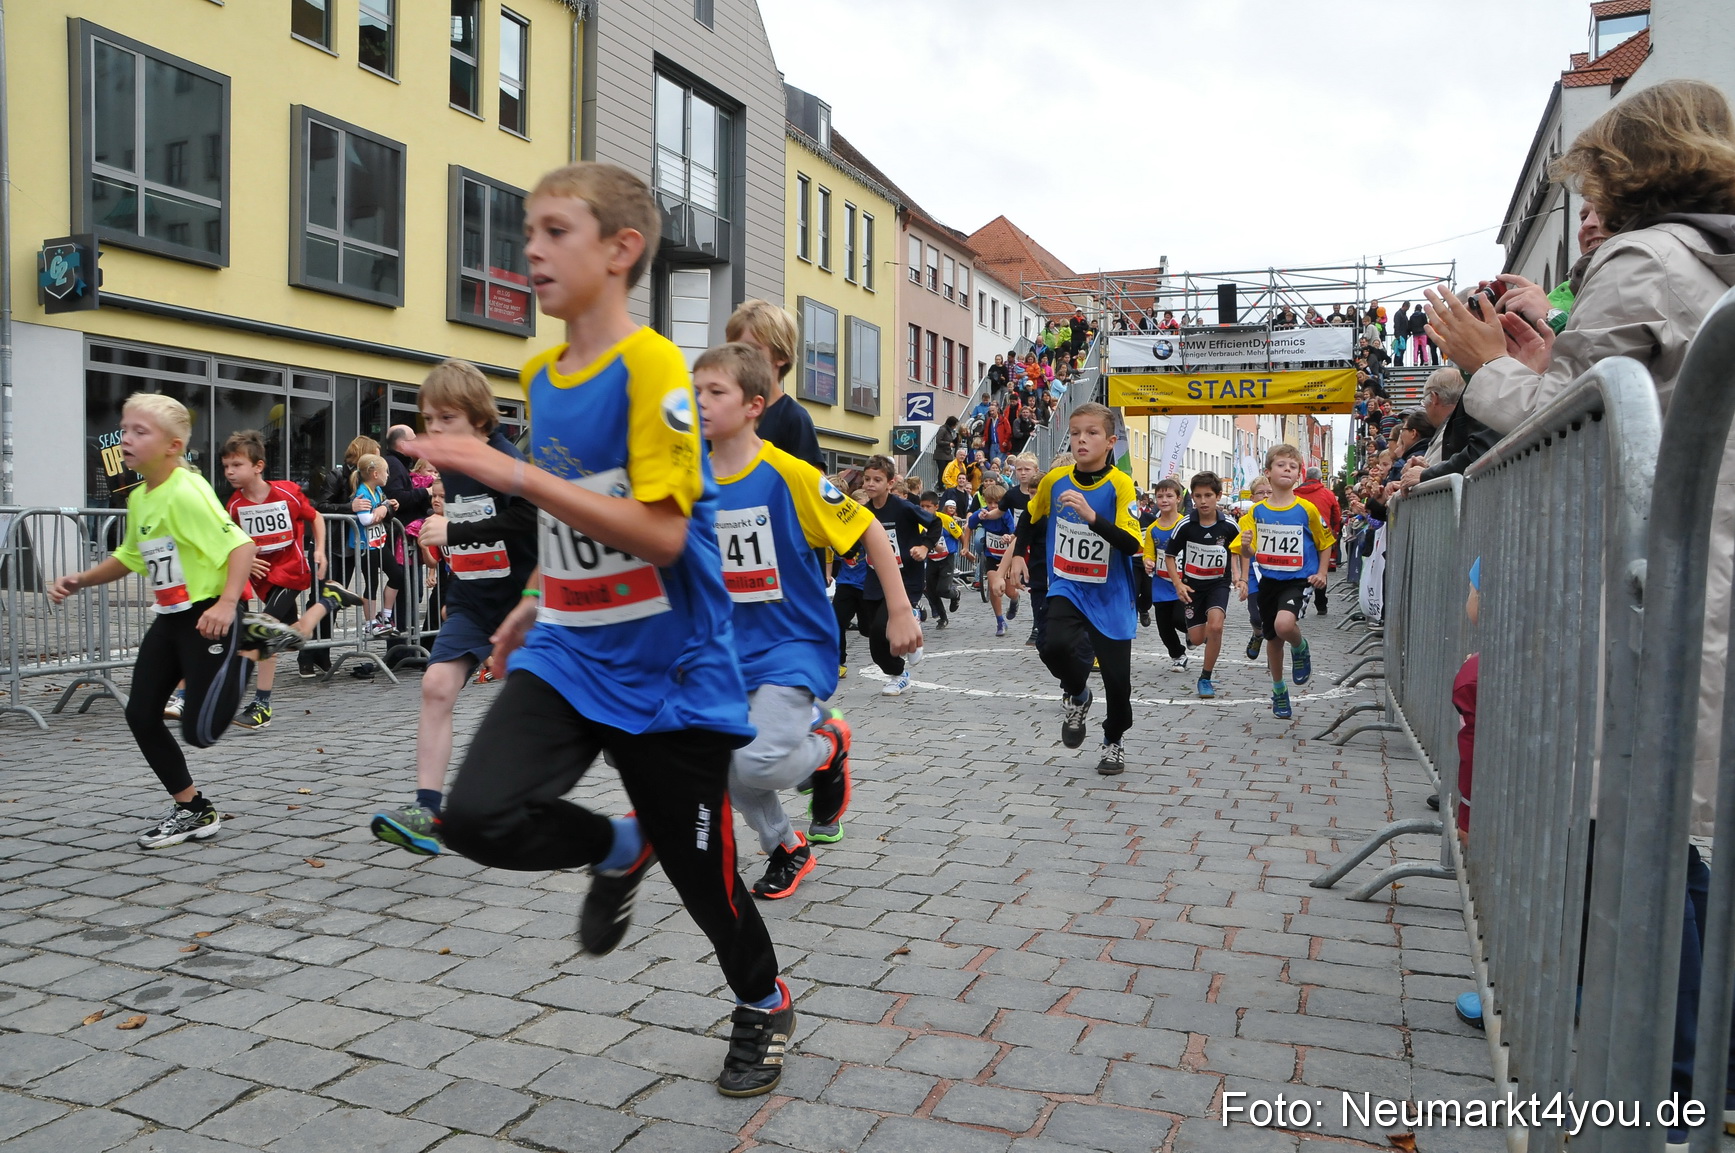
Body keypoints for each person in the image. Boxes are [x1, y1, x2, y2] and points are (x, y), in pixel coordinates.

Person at [402, 162, 790, 1098]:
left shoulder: (652, 365)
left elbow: (658, 530)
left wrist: (511, 476)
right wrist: (536, 598)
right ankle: (615, 848)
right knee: (476, 816)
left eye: (555, 231)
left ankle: (762, 1001)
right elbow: (581, 511)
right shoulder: (539, 370)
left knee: (709, 887)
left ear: (619, 251)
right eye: (526, 229)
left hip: (669, 676)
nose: (530, 248)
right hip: (570, 652)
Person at [695, 342, 918, 895]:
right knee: (719, 765)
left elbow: (866, 527)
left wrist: (898, 607)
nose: (700, 402)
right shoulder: (686, 478)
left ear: (753, 405)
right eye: (694, 391)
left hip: (791, 641)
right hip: (725, 649)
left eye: (714, 392)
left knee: (759, 765)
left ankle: (827, 745)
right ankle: (785, 848)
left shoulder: (788, 474)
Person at [49, 394, 302, 849]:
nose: (126, 438)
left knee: (199, 733)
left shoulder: (186, 492)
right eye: (125, 429)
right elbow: (130, 556)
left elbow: (241, 547)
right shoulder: (142, 496)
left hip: (209, 618)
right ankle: (193, 809)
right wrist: (81, 580)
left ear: (172, 445)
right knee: (141, 714)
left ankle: (253, 642)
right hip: (169, 618)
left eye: (140, 431)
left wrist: (227, 606)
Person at [369, 361, 539, 856]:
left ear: (480, 419)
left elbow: (531, 515)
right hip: (472, 602)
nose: (435, 430)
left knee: (541, 711)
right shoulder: (449, 464)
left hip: (527, 605)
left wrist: (456, 534)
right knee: (436, 684)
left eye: (447, 419)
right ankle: (426, 808)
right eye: (429, 420)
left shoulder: (503, 457)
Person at [997, 403, 1142, 776]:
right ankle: (1078, 693)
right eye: (1076, 432)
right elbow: (1030, 516)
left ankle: (1113, 741)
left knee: (1118, 683)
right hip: (1068, 585)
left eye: (1091, 433)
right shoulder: (1054, 480)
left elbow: (1130, 543)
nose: (1081, 439)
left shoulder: (1120, 484)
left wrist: (1093, 518)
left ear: (1110, 442)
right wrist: (1018, 556)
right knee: (1053, 645)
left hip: (1110, 594)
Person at [218, 429, 358, 732]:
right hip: (264, 581)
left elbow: (316, 517)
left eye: (236, 465)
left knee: (262, 633)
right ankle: (329, 600)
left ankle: (261, 705)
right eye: (226, 465)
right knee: (292, 636)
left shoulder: (287, 491)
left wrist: (319, 550)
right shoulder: (233, 506)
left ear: (258, 466)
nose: (229, 471)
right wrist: (245, 557)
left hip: (293, 571)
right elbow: (230, 541)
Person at [1237, 445, 1335, 720]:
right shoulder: (1255, 512)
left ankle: (1301, 647)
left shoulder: (1307, 509)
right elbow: (1249, 552)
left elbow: (1325, 542)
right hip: (1268, 580)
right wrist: (1245, 547)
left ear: (1299, 475)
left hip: (1297, 580)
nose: (1287, 470)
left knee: (1284, 625)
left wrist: (1323, 573)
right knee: (1273, 638)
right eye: (1281, 465)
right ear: (1267, 473)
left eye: (1292, 466)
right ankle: (1279, 690)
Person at [858, 455, 938, 696]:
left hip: (905, 579)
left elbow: (935, 525)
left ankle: (898, 675)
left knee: (883, 628)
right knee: (870, 634)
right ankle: (898, 669)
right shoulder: (862, 512)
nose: (870, 484)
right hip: (875, 581)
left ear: (890, 483)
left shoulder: (903, 507)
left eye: (877, 480)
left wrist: (924, 547)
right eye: (867, 479)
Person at [1163, 471, 1242, 699]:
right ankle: (1195, 637)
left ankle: (1205, 677)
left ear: (1218, 496)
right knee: (1197, 638)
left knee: (1216, 627)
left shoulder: (1229, 526)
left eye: (1208, 495)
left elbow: (1238, 552)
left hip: (1218, 584)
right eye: (1198, 496)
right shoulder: (1186, 525)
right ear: (1193, 498)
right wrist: (1178, 584)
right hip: (1192, 586)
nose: (1203, 501)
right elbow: (1169, 555)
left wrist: (1238, 575)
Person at [725, 299, 822, 469]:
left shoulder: (794, 418)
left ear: (781, 356)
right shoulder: (721, 410)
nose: (740, 356)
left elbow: (813, 488)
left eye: (752, 349)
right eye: (734, 348)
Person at [348, 454, 403, 635]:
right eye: (386, 472)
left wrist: (387, 505)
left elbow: (382, 507)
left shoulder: (378, 491)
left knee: (397, 575)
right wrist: (381, 510)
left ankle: (385, 616)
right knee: (371, 582)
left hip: (379, 543)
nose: (388, 475)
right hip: (365, 546)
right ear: (375, 474)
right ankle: (370, 622)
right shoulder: (363, 492)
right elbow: (365, 520)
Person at [1140, 477, 1189, 670]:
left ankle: (1194, 632)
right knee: (1163, 627)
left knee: (1178, 618)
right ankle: (1178, 654)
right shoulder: (1153, 528)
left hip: (1182, 582)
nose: (1164, 500)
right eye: (1160, 496)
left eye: (1169, 495)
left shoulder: (1186, 524)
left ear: (1178, 499)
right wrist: (1148, 562)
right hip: (1160, 584)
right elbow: (1148, 552)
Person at [965, 482, 1020, 636]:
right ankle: (1000, 621)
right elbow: (970, 524)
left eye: (997, 503)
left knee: (1009, 591)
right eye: (989, 503)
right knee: (994, 587)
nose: (993, 506)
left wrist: (1008, 537)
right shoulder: (984, 512)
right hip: (991, 555)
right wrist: (978, 516)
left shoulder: (1006, 513)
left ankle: (1015, 599)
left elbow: (1013, 532)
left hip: (1006, 557)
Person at [1294, 466, 1341, 614]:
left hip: (1299, 535)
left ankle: (1295, 601)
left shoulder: (1295, 494)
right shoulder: (1328, 494)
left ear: (1306, 478)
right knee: (1321, 570)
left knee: (1299, 567)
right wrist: (1334, 532)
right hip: (1321, 535)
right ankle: (1321, 604)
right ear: (1320, 479)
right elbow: (1336, 515)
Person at [1241, 474, 1275, 661]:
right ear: (1252, 497)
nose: (1265, 495)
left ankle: (1274, 654)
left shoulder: (1281, 515)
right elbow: (1240, 552)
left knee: (1275, 616)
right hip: (1254, 571)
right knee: (1256, 615)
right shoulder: (1247, 519)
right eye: (1260, 493)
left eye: (1269, 492)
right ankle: (1257, 633)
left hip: (1276, 569)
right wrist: (1242, 578)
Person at [920, 492, 963, 628]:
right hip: (932, 559)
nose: (925, 510)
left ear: (936, 507)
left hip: (947, 558)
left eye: (928, 506)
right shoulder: (919, 521)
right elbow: (920, 537)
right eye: (922, 506)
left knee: (943, 589)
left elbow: (960, 534)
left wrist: (965, 549)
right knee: (931, 591)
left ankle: (955, 594)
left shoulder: (945, 520)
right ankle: (942, 618)